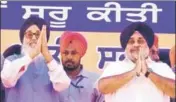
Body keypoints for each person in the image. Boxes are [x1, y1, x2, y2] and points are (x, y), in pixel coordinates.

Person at [97, 22, 175, 102]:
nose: (136, 45)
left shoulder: (161, 68)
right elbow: (103, 88)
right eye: (131, 41)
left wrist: (148, 73)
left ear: (148, 45)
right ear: (125, 46)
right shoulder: (115, 67)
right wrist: (134, 71)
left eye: (140, 41)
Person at [1, 16, 70, 102]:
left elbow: (63, 85)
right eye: (29, 35)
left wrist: (47, 55)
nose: (33, 38)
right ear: (22, 38)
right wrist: (31, 55)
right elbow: (7, 79)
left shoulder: (53, 65)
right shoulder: (11, 60)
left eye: (38, 35)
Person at [58, 31, 104, 102]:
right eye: (65, 53)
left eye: (74, 53)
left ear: (81, 54)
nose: (69, 57)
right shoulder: (52, 79)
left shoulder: (95, 81)